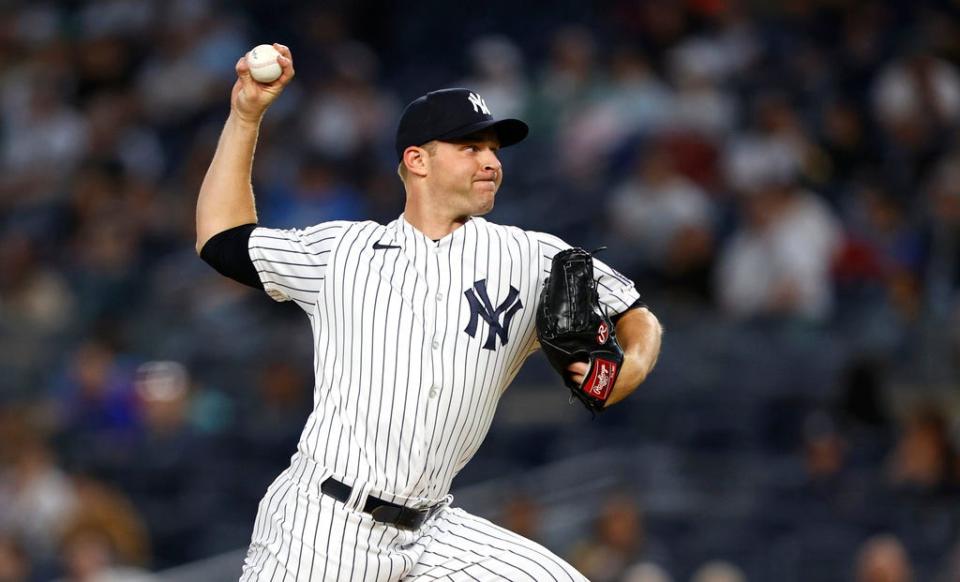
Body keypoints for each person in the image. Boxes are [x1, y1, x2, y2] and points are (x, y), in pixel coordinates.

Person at [195, 43, 662, 581]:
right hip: (323, 525)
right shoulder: (343, 252)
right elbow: (221, 239)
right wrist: (245, 116)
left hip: (435, 528)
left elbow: (635, 312)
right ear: (417, 160)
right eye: (470, 147)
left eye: (495, 148)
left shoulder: (534, 257)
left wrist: (634, 364)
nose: (491, 160)